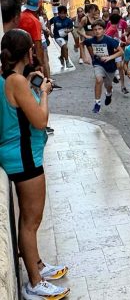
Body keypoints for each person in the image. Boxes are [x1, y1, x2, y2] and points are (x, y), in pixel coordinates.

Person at [0, 29, 70, 300]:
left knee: (28, 219)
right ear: (27, 51)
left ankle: (37, 264)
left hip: (15, 152)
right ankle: (35, 282)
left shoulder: (10, 78)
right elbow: (40, 121)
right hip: (24, 155)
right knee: (31, 221)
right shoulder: (17, 81)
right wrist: (43, 92)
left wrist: (30, 85)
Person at [83, 20, 123, 113]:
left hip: (110, 66)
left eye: (99, 29)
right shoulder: (91, 40)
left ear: (104, 30)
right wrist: (86, 56)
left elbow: (121, 51)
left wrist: (110, 57)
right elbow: (83, 43)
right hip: (98, 64)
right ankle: (97, 103)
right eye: (95, 29)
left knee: (108, 86)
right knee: (98, 79)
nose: (97, 31)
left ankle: (109, 94)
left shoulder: (110, 40)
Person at [105, 12, 130, 95]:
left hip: (116, 51)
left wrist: (121, 42)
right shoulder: (112, 29)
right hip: (111, 52)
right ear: (118, 21)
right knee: (111, 70)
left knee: (120, 67)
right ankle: (110, 87)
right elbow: (108, 40)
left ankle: (123, 87)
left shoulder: (114, 28)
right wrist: (118, 44)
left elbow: (116, 39)